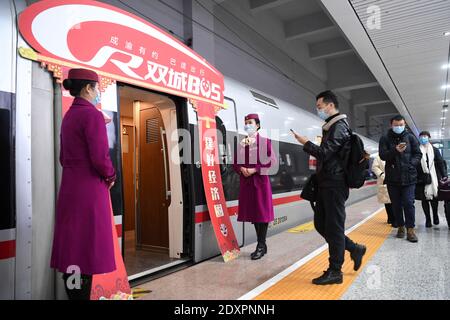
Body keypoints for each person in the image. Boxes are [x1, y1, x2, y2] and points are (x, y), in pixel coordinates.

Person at [50, 68, 116, 300]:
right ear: (88, 88)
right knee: (86, 250)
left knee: (73, 250)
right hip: (89, 191)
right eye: (97, 88)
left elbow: (62, 157)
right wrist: (110, 176)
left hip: (70, 189)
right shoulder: (92, 115)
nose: (98, 92)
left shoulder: (70, 116)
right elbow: (100, 157)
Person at [292, 90, 366, 285]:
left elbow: (324, 153)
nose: (318, 110)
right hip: (327, 183)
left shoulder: (339, 127)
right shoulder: (331, 127)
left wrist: (305, 143)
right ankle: (354, 248)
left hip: (335, 184)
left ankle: (335, 271)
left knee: (333, 227)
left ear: (330, 106)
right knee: (321, 224)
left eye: (319, 107)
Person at [233, 113, 276, 260]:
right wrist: (241, 169)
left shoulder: (265, 142)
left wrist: (254, 169)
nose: (247, 124)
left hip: (261, 184)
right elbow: (235, 163)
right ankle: (262, 245)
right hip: (247, 185)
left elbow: (272, 162)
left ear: (257, 125)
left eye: (250, 122)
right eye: (246, 122)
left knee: (261, 216)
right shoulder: (242, 143)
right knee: (254, 215)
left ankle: (261, 245)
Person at [379, 115, 422, 242]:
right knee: (396, 205)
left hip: (409, 177)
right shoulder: (385, 138)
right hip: (393, 178)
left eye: (401, 124)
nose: (399, 127)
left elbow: (418, 154)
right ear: (391, 125)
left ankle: (410, 230)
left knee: (409, 203)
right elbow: (382, 156)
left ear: (404, 124)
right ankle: (400, 226)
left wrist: (411, 164)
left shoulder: (411, 138)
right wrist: (395, 150)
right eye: (396, 125)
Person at [415, 131, 446, 227]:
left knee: (434, 198)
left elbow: (441, 163)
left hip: (434, 177)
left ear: (429, 137)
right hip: (421, 178)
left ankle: (435, 215)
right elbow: (415, 164)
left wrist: (444, 175)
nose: (423, 138)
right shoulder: (417, 150)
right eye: (421, 136)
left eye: (425, 136)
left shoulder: (435, 150)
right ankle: (428, 219)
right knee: (424, 200)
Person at [371, 155, 396, 226]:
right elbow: (374, 167)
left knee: (394, 201)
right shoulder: (379, 156)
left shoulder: (395, 154)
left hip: (395, 179)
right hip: (384, 180)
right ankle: (390, 218)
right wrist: (382, 174)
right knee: (387, 201)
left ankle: (395, 218)